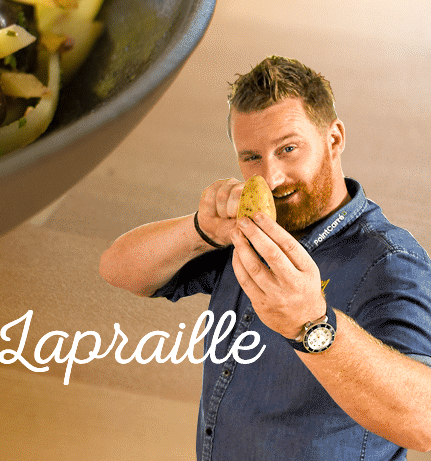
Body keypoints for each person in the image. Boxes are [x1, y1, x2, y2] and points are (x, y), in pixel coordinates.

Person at [99, 56, 431, 459]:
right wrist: (199, 231)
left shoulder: (390, 261)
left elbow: (426, 422)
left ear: (334, 138)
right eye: (252, 157)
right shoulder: (246, 235)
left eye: (288, 149)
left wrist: (311, 324)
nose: (271, 178)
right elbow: (117, 269)